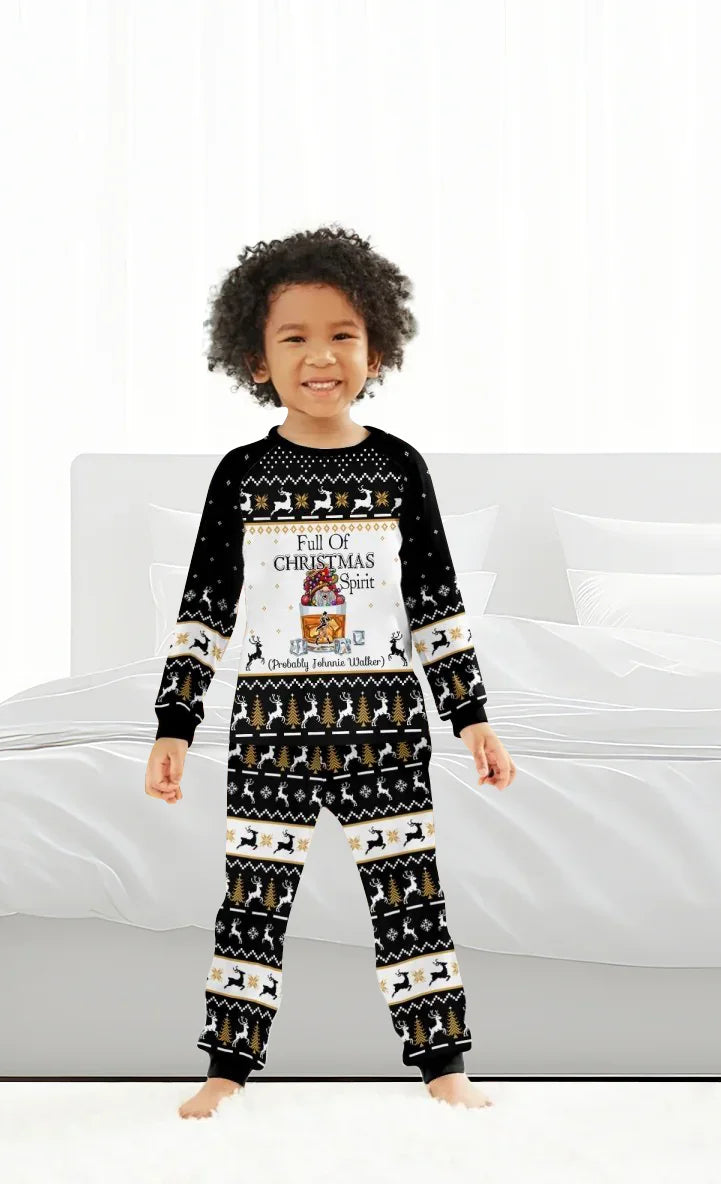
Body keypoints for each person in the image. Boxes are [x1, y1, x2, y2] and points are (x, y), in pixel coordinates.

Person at [145, 225, 516, 1119]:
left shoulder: (397, 469)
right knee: (253, 902)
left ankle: (444, 1068)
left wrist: (471, 718)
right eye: (295, 338)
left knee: (409, 899)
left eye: (343, 334)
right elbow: (205, 609)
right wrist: (173, 723)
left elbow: (433, 603)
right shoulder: (242, 476)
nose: (321, 356)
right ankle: (227, 1067)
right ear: (255, 358)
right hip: (269, 726)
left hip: (383, 720)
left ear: (377, 347)